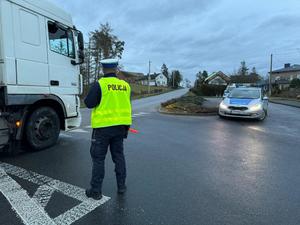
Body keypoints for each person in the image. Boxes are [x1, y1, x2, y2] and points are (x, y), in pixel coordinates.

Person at [84, 59, 132, 200]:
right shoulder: (125, 86)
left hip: (102, 129)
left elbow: (88, 103)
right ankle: (121, 186)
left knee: (98, 159)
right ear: (116, 69)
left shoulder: (100, 84)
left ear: (103, 69)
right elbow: (126, 104)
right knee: (118, 156)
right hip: (120, 128)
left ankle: (96, 191)